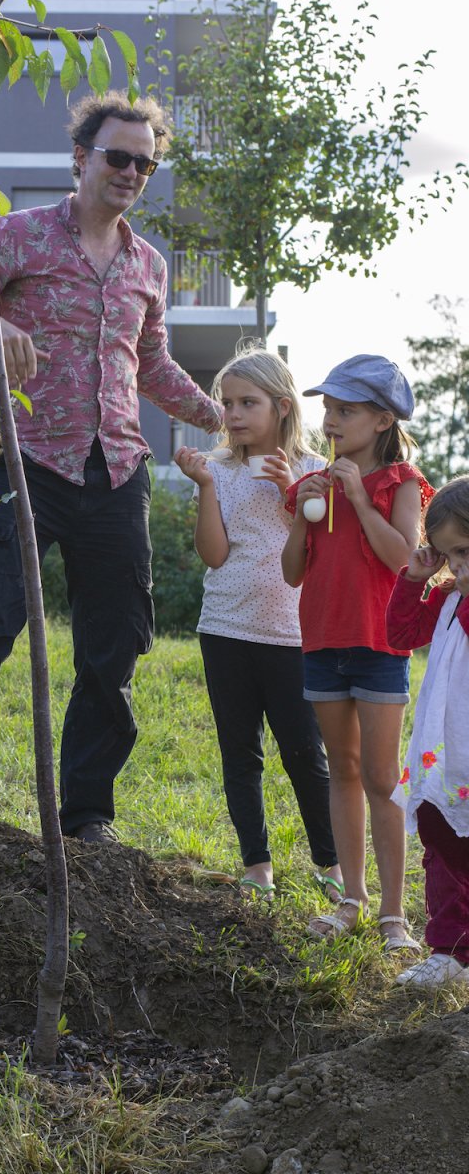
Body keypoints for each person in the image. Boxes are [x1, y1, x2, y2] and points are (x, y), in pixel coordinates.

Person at [0, 90, 224, 845]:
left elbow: (152, 361)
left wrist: (215, 414)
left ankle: (88, 817)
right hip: (24, 465)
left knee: (115, 649)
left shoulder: (149, 265)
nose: (132, 171)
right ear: (81, 158)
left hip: (118, 475)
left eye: (145, 162)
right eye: (118, 156)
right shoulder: (17, 238)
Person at [174, 346, 341, 902]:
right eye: (227, 403)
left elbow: (324, 551)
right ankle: (257, 865)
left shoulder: (316, 472)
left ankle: (332, 863)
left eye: (249, 402)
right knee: (239, 751)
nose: (235, 414)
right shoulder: (217, 470)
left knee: (303, 751)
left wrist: (290, 489)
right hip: (224, 626)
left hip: (294, 634)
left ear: (283, 406)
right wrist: (202, 488)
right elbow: (214, 555)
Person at [281, 354, 432, 950]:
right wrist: (301, 515)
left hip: (378, 646)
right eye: (328, 409)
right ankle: (352, 900)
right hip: (322, 643)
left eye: (345, 410)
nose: (330, 420)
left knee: (379, 776)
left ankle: (394, 916)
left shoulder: (402, 483)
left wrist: (360, 500)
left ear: (381, 420)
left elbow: (403, 561)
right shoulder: (311, 486)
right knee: (340, 770)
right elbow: (293, 573)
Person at [386, 476, 469, 987]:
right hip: (445, 754)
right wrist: (415, 578)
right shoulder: (447, 599)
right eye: (446, 555)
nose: (456, 566)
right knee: (440, 842)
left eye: (462, 551)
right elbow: (400, 635)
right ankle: (450, 949)